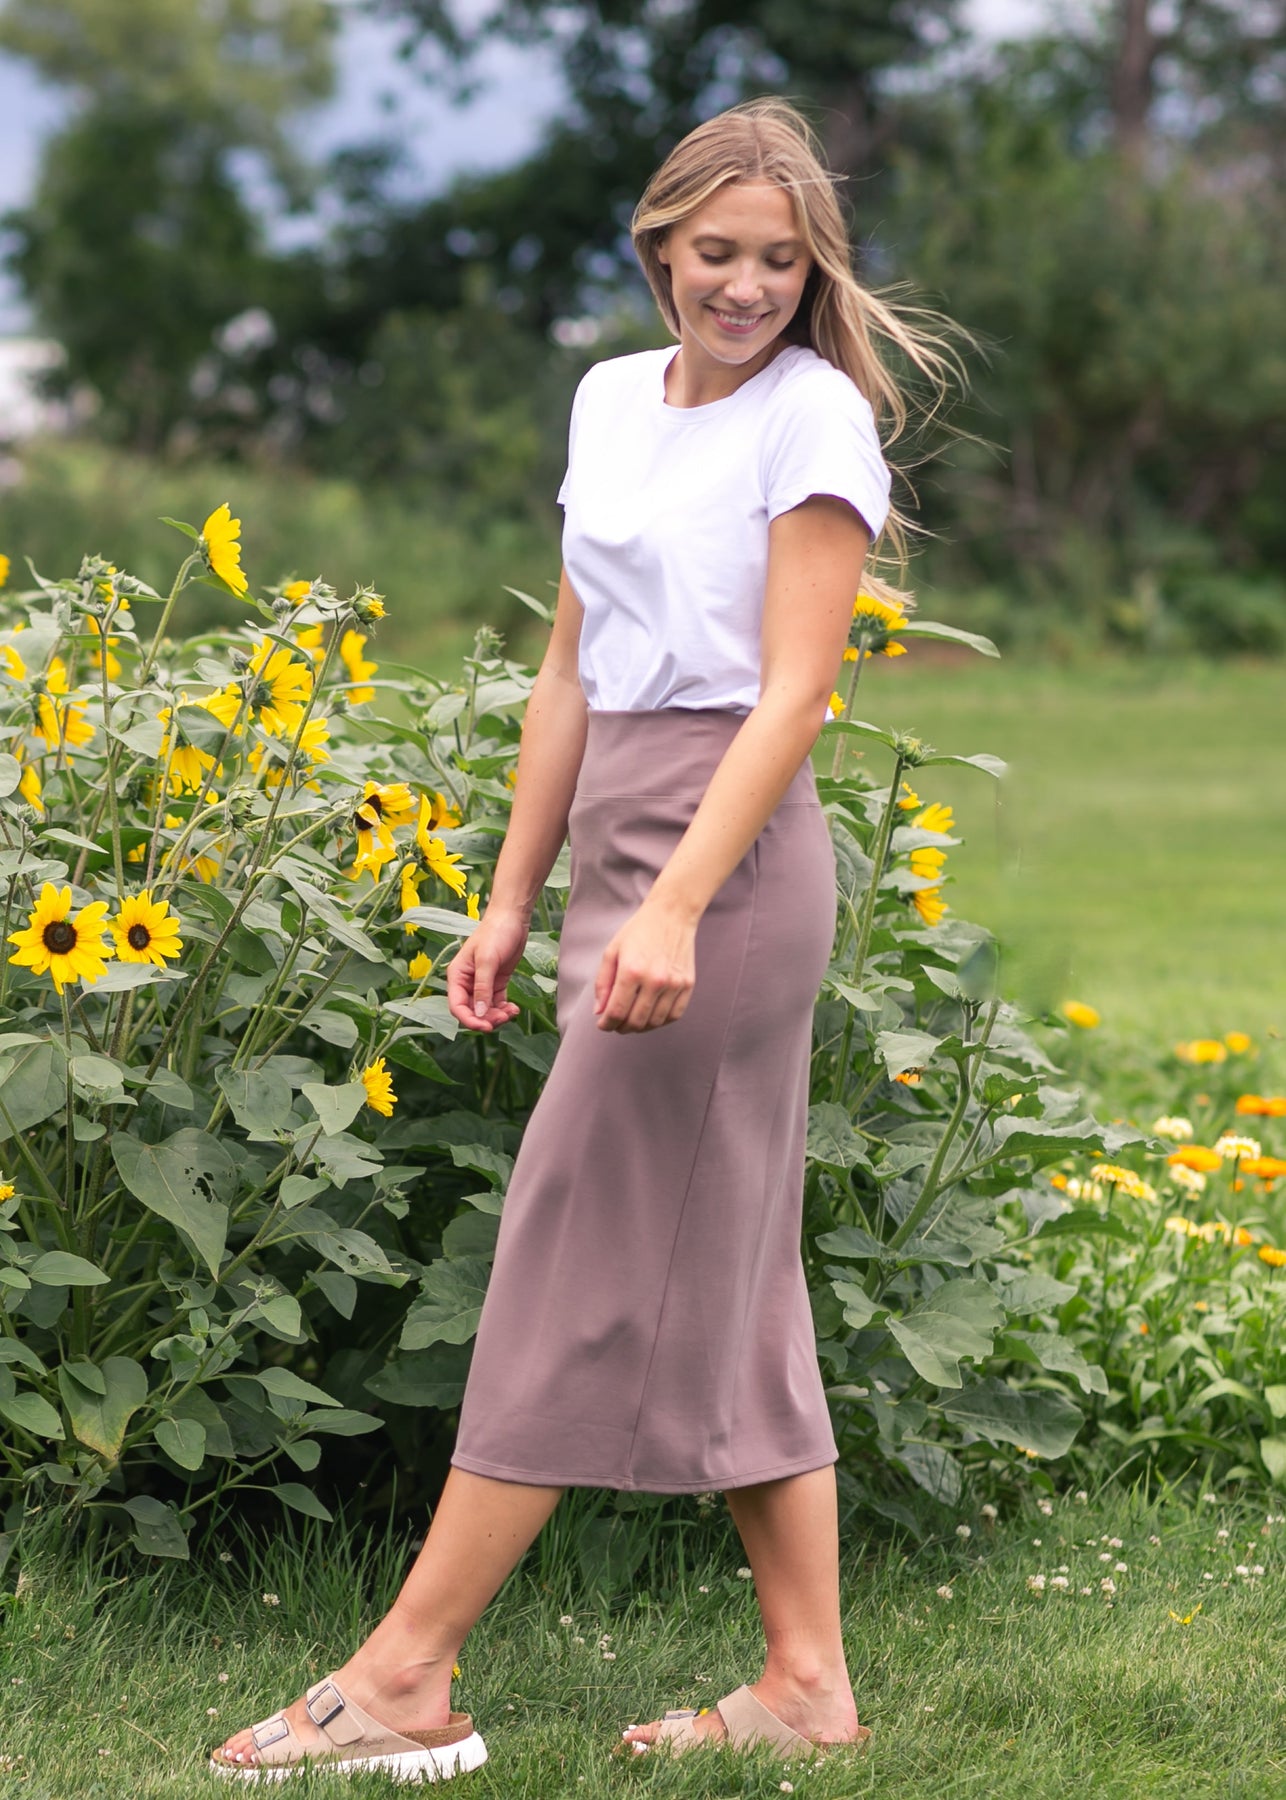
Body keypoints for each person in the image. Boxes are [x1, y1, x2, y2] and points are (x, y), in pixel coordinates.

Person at [211, 95, 956, 1783]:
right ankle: (807, 1686)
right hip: (618, 836)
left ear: (812, 270)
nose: (746, 286)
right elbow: (570, 669)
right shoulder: (611, 398)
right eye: (716, 253)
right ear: (657, 247)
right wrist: (506, 895)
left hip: (725, 867)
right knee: (734, 1276)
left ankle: (405, 1674)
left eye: (780, 261)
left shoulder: (813, 418)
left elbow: (795, 697)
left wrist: (678, 903)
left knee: (570, 1251)